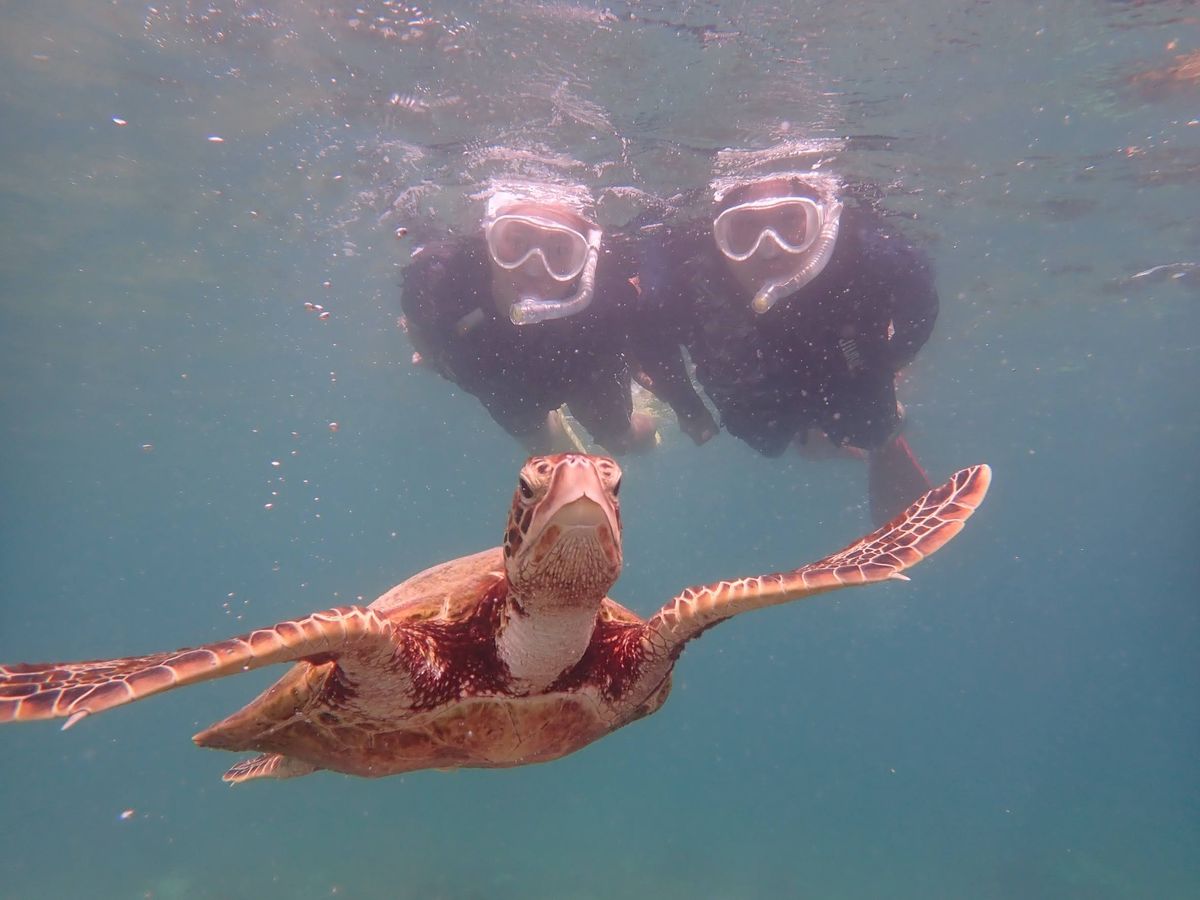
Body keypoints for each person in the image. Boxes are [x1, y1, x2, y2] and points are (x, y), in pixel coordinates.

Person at [633, 169, 939, 525]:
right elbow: (653, 342)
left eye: (791, 220)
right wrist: (688, 409)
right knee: (766, 437)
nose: (769, 250)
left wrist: (894, 359)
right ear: (716, 233)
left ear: (823, 221)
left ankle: (883, 438)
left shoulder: (870, 251)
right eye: (744, 227)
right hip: (750, 359)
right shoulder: (682, 267)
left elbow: (919, 302)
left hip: (842, 344)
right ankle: (813, 439)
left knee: (871, 425)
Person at [401, 184, 715, 454]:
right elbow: (418, 322)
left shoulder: (607, 296)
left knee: (623, 442)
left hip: (582, 368)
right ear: (488, 240)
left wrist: (659, 384)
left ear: (586, 258)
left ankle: (645, 418)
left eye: (560, 250)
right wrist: (434, 355)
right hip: (500, 374)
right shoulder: (439, 280)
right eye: (516, 243)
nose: (534, 268)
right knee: (540, 447)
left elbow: (644, 338)